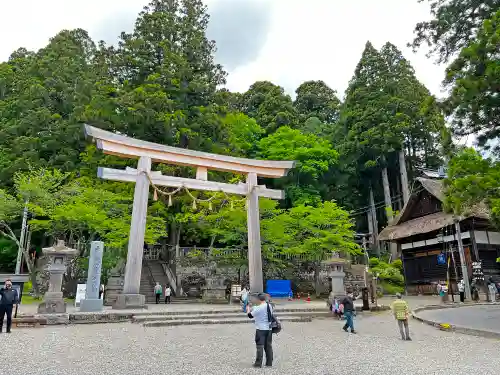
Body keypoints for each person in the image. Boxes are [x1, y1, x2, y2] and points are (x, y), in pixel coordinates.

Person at [246, 293, 273, 368]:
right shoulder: (269, 306)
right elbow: (258, 308)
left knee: (260, 346)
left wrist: (248, 309)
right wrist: (253, 307)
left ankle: (258, 364)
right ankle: (269, 362)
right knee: (268, 346)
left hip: (261, 329)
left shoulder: (258, 308)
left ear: (258, 299)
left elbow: (250, 316)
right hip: (269, 329)